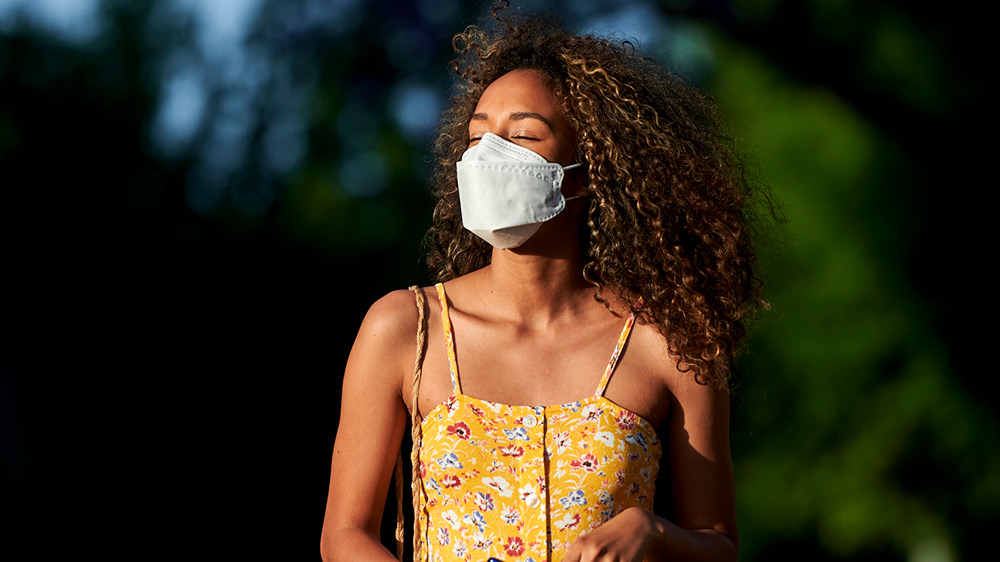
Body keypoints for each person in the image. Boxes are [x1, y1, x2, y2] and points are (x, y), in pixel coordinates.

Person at [321, 9, 768, 562]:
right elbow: (345, 535)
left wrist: (654, 533)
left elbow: (719, 545)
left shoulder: (669, 341)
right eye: (478, 135)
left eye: (524, 135)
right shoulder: (406, 329)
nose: (489, 156)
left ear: (589, 169)